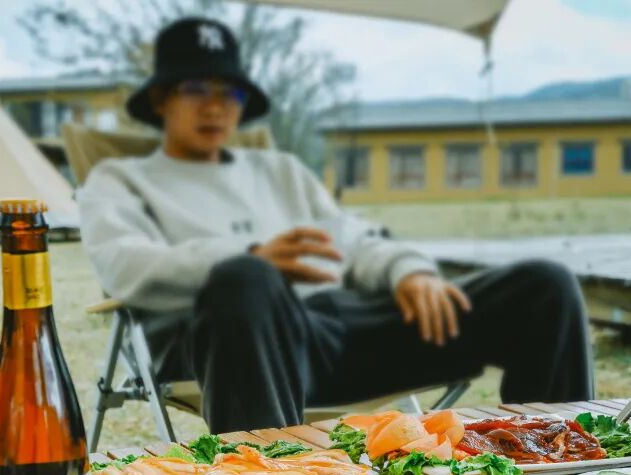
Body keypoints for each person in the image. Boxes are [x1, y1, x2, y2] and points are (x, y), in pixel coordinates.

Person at [79, 17, 592, 433]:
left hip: (342, 333)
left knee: (543, 287)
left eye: (229, 92)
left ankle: (560, 463)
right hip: (233, 341)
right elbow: (124, 265)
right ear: (160, 100)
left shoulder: (278, 171)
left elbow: (346, 237)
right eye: (195, 88)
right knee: (245, 278)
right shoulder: (121, 180)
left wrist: (407, 271)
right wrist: (250, 256)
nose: (215, 105)